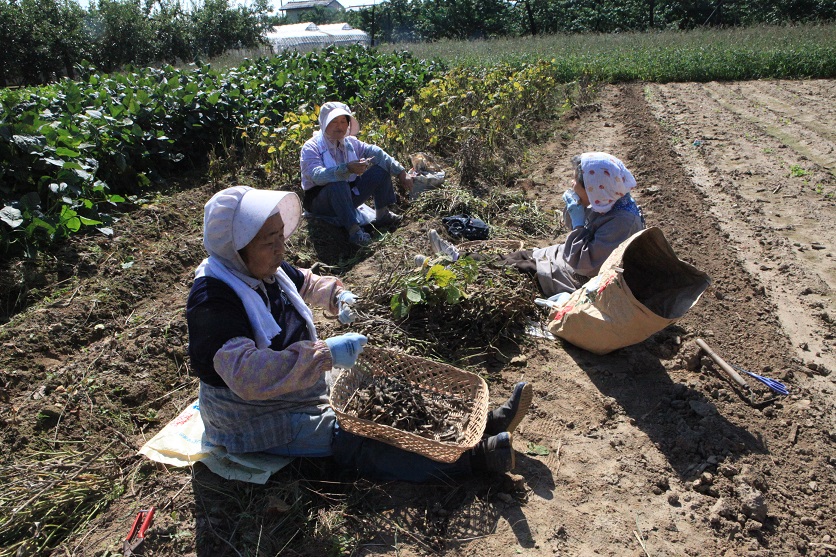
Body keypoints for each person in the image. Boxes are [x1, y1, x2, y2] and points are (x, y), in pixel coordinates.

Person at [186, 185, 533, 482]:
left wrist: (338, 296)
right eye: (269, 242)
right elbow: (248, 375)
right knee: (352, 436)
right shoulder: (213, 302)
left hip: (298, 380)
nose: (281, 249)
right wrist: (325, 355)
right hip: (252, 413)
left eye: (281, 237)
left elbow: (306, 281)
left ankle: (483, 424)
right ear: (237, 248)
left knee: (378, 385)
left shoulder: (262, 268)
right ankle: (476, 460)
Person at [426, 152, 646, 297]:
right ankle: (454, 258)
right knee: (519, 256)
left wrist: (579, 224)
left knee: (519, 268)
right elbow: (579, 231)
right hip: (568, 258)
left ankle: (446, 272)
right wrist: (574, 212)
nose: (571, 183)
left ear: (595, 189)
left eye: (577, 183)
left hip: (583, 278)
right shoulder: (608, 199)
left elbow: (586, 264)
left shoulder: (623, 222)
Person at [300, 101, 414, 247]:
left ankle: (382, 215)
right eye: (334, 121)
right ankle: (354, 232)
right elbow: (317, 175)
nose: (339, 126)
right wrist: (346, 169)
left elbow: (377, 154)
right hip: (321, 202)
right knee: (337, 182)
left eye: (343, 121)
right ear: (324, 123)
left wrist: (401, 172)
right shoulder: (312, 147)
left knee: (381, 169)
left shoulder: (350, 144)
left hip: (346, 195)